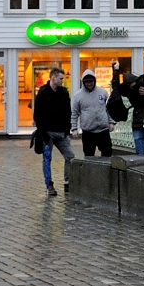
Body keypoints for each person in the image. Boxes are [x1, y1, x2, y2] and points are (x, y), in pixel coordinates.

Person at [32, 67, 73, 196]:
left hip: (61, 132)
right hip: (47, 133)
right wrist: (42, 131)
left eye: (63, 78)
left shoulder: (64, 93)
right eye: (61, 78)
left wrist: (67, 129)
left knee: (70, 157)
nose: (62, 81)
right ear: (53, 77)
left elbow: (68, 111)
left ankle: (68, 182)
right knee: (47, 159)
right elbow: (38, 114)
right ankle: (49, 184)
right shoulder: (43, 93)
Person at [71, 71, 113, 158]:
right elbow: (74, 113)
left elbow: (109, 109)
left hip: (103, 130)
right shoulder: (78, 96)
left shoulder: (103, 92)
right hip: (88, 132)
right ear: (83, 82)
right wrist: (74, 129)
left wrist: (111, 122)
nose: (89, 84)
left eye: (91, 81)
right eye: (87, 82)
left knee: (107, 153)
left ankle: (105, 171)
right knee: (88, 155)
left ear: (94, 81)